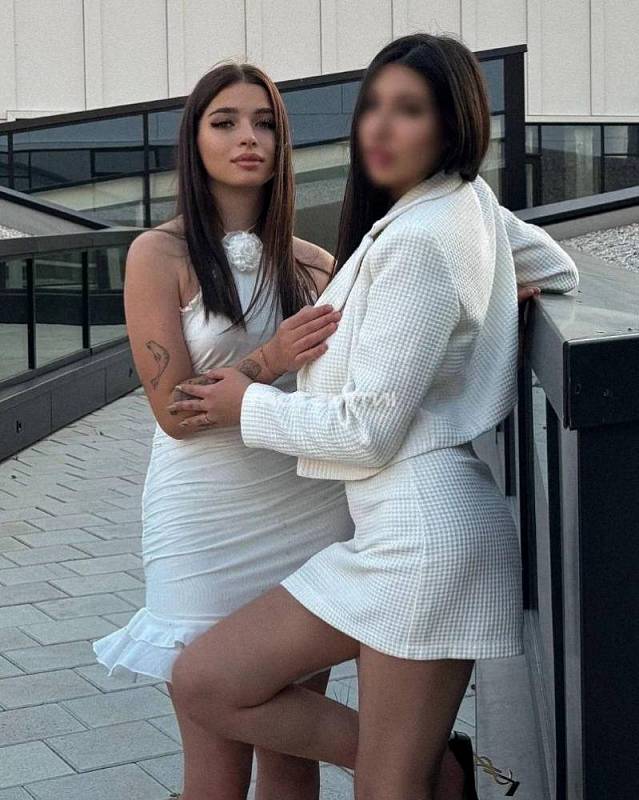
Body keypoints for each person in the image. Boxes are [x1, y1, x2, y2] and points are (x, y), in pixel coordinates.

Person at [167, 33, 579, 800]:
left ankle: (437, 772)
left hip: (420, 535)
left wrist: (247, 403)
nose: (381, 128)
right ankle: (441, 771)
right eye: (373, 108)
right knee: (208, 681)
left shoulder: (419, 240)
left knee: (375, 781)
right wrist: (492, 302)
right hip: (402, 528)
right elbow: (558, 268)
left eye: (408, 110)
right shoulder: (460, 206)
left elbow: (365, 431)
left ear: (451, 124)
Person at [92, 62, 355, 800]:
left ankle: (420, 765)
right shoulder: (158, 254)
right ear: (195, 139)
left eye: (265, 123)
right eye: (226, 121)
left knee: (290, 752)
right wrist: (271, 358)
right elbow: (174, 415)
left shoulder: (315, 266)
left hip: (305, 510)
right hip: (202, 521)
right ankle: (427, 766)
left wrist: (494, 296)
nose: (249, 137)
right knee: (212, 756)